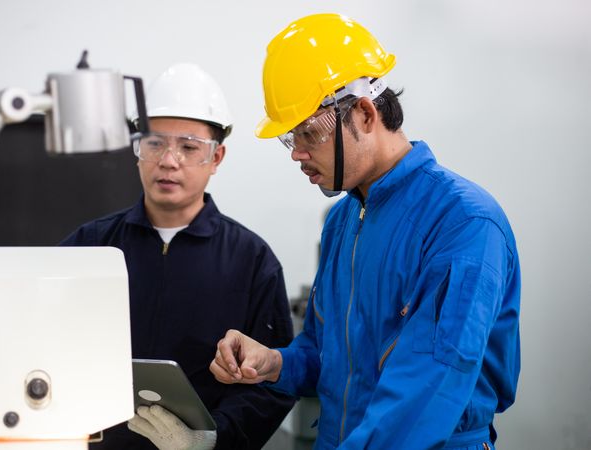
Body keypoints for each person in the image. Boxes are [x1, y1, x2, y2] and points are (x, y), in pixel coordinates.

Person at [210, 13, 520, 450]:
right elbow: (330, 355)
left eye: (308, 132)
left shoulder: (462, 224)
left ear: (365, 112)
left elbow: (425, 393)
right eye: (289, 139)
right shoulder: (341, 223)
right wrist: (275, 362)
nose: (297, 153)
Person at [61, 63, 295, 450]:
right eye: (154, 143)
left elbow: (272, 382)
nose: (168, 161)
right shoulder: (91, 246)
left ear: (216, 158)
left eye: (188, 147)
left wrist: (209, 440)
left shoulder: (252, 260)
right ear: (137, 149)